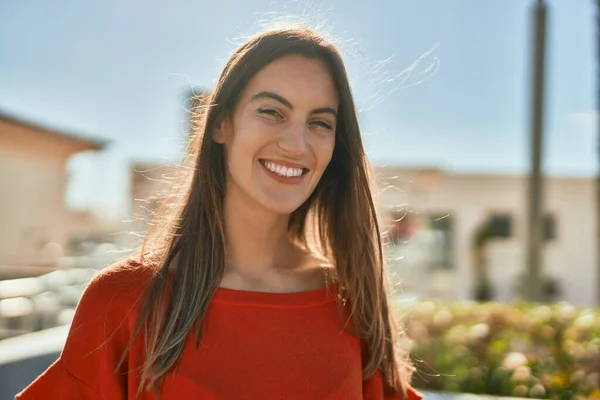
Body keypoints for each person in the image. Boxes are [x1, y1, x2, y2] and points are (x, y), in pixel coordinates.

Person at [16, 27, 422, 400]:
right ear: (221, 125)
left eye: (320, 122)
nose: (297, 145)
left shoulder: (351, 302)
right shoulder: (123, 300)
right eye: (272, 112)